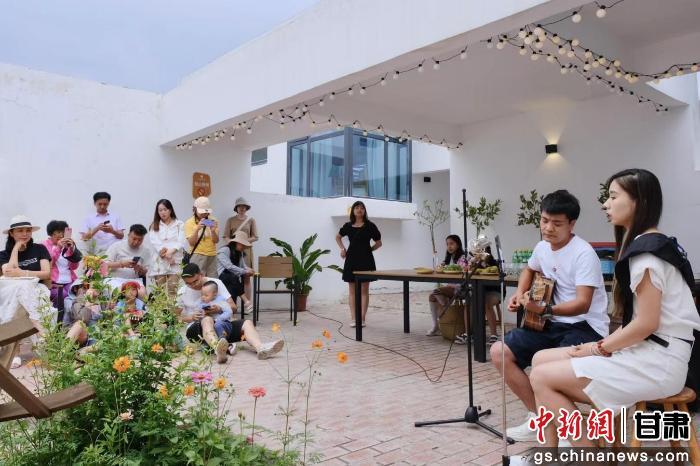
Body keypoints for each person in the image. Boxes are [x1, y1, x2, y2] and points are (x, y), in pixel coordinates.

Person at [530, 169, 700, 448]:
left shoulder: (647, 256)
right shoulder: (652, 245)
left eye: (612, 196)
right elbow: (639, 322)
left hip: (657, 364)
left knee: (540, 376)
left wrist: (598, 348)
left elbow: (646, 324)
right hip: (650, 352)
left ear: (639, 202)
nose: (605, 204)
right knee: (539, 359)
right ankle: (550, 451)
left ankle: (588, 455)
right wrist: (599, 346)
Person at [489, 190, 610, 442]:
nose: (548, 228)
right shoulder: (542, 247)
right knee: (499, 352)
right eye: (544, 221)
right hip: (549, 324)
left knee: (546, 368)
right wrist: (519, 294)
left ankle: (563, 429)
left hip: (585, 327)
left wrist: (544, 309)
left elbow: (583, 304)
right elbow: (529, 269)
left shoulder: (583, 253)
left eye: (557, 223)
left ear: (571, 224)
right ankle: (540, 419)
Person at [176, 263, 283, 363]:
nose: (192, 285)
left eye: (195, 281)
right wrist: (191, 317)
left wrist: (219, 309)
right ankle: (217, 348)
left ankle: (261, 349)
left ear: (201, 274)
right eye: (188, 283)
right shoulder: (182, 292)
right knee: (207, 319)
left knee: (247, 323)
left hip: (221, 326)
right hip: (197, 330)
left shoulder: (215, 283)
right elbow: (175, 318)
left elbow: (233, 307)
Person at [0, 215, 54, 368]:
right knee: (19, 294)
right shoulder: (3, 254)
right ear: (11, 233)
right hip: (12, 292)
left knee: (21, 297)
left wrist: (23, 273)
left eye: (28, 230)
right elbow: (9, 272)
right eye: (20, 231)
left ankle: (15, 352)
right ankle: (44, 335)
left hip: (37, 289)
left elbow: (47, 273)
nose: (25, 234)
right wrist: (16, 248)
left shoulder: (39, 249)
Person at [335, 201, 382, 328]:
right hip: (351, 260)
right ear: (353, 211)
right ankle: (353, 318)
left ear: (364, 211)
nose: (359, 209)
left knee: (364, 291)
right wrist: (342, 249)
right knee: (352, 291)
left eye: (362, 208)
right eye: (357, 207)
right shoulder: (348, 226)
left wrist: (369, 250)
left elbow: (379, 243)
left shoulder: (370, 226)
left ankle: (362, 319)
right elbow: (338, 237)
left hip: (366, 261)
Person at [427, 235, 466, 336]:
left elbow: (462, 275)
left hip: (460, 287)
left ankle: (446, 310)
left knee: (436, 292)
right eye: (447, 244)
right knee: (432, 296)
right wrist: (440, 266)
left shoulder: (463, 258)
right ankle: (436, 326)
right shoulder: (449, 259)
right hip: (450, 286)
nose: (449, 246)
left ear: (458, 244)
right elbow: (441, 270)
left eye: (452, 244)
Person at [43, 220, 82, 317]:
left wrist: (72, 250)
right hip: (53, 283)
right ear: (51, 234)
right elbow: (49, 263)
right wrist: (59, 248)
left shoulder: (68, 245)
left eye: (63, 232)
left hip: (69, 280)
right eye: (57, 232)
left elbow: (74, 267)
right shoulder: (44, 245)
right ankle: (57, 319)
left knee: (80, 292)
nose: (60, 235)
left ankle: (75, 318)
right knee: (63, 295)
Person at [148, 199, 185, 298]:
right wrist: (166, 255)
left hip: (175, 261)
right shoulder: (154, 225)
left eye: (165, 209)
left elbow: (181, 241)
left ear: (170, 210)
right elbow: (155, 243)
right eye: (160, 210)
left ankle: (172, 309)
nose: (163, 212)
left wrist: (171, 253)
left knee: (173, 290)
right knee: (160, 292)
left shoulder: (179, 224)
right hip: (160, 261)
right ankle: (162, 309)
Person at [223, 197, 258, 300]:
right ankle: (232, 303)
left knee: (246, 277)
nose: (242, 208)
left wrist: (243, 242)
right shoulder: (230, 220)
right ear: (236, 208)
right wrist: (232, 243)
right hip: (233, 252)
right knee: (232, 277)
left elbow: (255, 237)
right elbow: (225, 236)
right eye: (240, 206)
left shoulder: (251, 220)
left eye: (244, 206)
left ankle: (248, 304)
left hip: (246, 251)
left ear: (246, 208)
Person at [217, 231, 255, 314]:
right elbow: (228, 266)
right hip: (221, 276)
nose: (244, 247)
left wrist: (249, 270)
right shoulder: (224, 250)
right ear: (236, 243)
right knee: (232, 278)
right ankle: (246, 301)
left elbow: (242, 266)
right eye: (242, 244)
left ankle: (232, 313)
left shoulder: (239, 253)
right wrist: (245, 271)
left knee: (233, 284)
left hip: (232, 279)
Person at [184, 197, 219, 278]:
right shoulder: (189, 222)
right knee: (197, 280)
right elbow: (191, 243)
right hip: (197, 254)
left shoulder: (213, 220)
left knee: (212, 281)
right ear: (195, 209)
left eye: (206, 212)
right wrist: (197, 229)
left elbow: (216, 241)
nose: (204, 214)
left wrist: (213, 231)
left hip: (212, 255)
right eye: (201, 212)